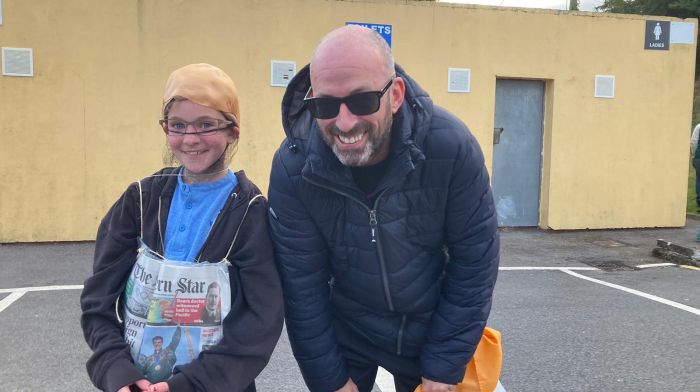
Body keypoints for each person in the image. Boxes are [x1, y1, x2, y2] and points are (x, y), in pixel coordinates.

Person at [268, 26, 500, 392]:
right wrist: (329, 381)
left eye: (361, 102)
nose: (344, 123)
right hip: (347, 330)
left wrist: (444, 366)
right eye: (326, 106)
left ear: (394, 95)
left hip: (431, 325)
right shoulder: (292, 167)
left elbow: (474, 264)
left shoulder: (451, 147)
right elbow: (302, 286)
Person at [81, 63, 284, 392]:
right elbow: (97, 301)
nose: (191, 139)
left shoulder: (250, 213)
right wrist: (117, 371)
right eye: (178, 125)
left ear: (233, 130)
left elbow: (259, 323)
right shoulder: (140, 202)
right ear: (166, 130)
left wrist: (190, 384)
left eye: (206, 124)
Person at [691, 123, 700, 211]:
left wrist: (694, 155)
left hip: (699, 157)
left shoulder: (698, 127)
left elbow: (694, 142)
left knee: (699, 179)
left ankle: (699, 201)